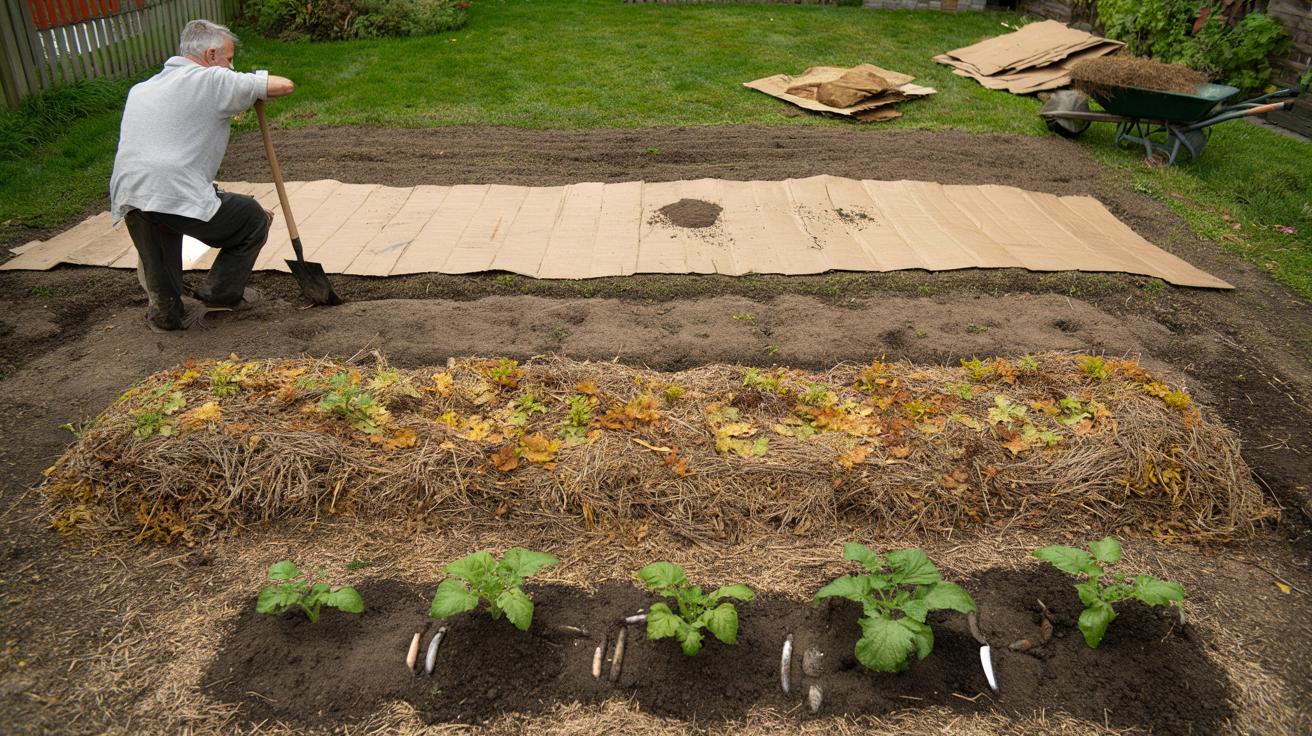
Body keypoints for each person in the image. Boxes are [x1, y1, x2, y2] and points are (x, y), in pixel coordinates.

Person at [109, 19, 295, 331]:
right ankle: (221, 293)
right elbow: (284, 85)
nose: (231, 67)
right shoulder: (212, 80)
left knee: (161, 219)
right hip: (172, 190)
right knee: (252, 217)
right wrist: (248, 84)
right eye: (229, 59)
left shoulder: (142, 89)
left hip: (130, 193)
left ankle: (164, 310)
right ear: (211, 55)